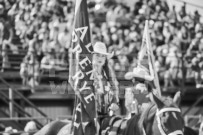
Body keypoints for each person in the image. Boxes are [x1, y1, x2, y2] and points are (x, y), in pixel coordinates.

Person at [92, 41, 120, 116]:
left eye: (103, 56)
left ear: (105, 59)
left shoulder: (108, 75)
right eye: (97, 55)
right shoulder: (89, 74)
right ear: (93, 56)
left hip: (107, 113)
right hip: (91, 114)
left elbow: (115, 90)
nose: (100, 58)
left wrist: (114, 102)